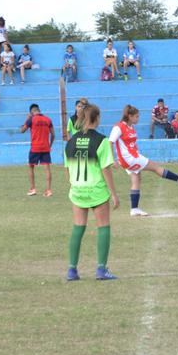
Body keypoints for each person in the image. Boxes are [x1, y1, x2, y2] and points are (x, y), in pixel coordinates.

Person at [64, 103, 120, 282]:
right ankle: (101, 270)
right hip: (96, 190)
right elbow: (106, 169)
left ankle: (72, 270)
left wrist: (73, 185)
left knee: (78, 227)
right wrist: (113, 193)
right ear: (97, 118)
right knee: (103, 226)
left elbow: (67, 168)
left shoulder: (71, 141)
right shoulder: (101, 141)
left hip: (77, 190)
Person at [109, 105, 178, 217]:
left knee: (136, 179)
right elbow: (110, 142)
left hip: (131, 157)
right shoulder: (118, 127)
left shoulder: (131, 127)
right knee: (156, 167)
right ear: (129, 116)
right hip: (130, 158)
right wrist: (111, 160)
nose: (138, 118)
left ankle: (134, 209)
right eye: (136, 116)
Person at [20, 103, 55, 197]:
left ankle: (33, 189)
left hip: (35, 147)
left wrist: (27, 119)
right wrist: (49, 145)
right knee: (47, 168)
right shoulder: (48, 119)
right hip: (45, 147)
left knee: (31, 167)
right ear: (39, 110)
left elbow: (22, 130)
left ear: (31, 112)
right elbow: (53, 134)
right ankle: (48, 190)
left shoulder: (31, 119)